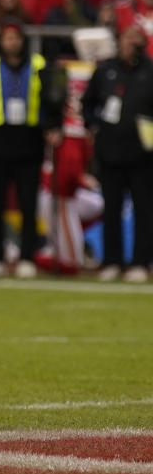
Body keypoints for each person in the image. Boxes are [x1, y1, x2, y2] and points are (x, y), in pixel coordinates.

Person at [0, 21, 64, 278]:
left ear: (22, 41)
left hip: (29, 145)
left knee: (28, 206)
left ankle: (26, 257)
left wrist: (53, 127)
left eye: (15, 38)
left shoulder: (38, 66)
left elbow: (53, 101)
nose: (12, 43)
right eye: (7, 38)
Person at [81, 23, 153, 283]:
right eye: (126, 37)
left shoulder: (150, 71)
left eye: (134, 38)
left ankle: (140, 262)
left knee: (143, 210)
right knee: (110, 209)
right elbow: (87, 103)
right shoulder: (106, 70)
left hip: (142, 156)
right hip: (110, 153)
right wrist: (92, 125)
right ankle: (112, 261)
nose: (129, 43)